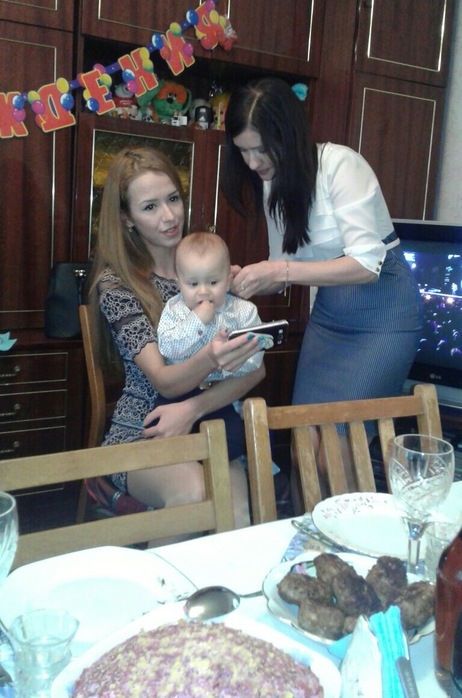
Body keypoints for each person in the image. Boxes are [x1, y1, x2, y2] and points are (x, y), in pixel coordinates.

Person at [223, 76, 423, 502]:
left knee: (337, 454)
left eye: (261, 149)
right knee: (304, 448)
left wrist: (280, 270)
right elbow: (283, 266)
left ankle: (349, 539)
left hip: (383, 316)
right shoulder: (272, 184)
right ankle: (306, 539)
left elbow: (367, 265)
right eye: (243, 151)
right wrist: (239, 280)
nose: (253, 162)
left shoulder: (341, 165)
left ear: (289, 134)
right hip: (331, 316)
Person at [88, 147, 266, 533]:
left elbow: (255, 371)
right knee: (193, 496)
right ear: (126, 218)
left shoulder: (212, 272)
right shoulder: (118, 285)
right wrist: (213, 357)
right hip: (144, 429)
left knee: (238, 516)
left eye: (172, 199)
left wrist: (194, 408)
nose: (169, 216)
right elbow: (165, 381)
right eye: (150, 207)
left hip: (210, 423)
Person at [156, 231, 271, 459]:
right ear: (179, 284)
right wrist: (197, 321)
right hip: (179, 394)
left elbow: (255, 359)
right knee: (167, 447)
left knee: (232, 444)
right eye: (193, 284)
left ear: (228, 280)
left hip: (220, 395)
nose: (203, 291)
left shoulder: (243, 312)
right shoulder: (174, 310)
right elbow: (169, 349)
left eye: (213, 282)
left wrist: (226, 364)